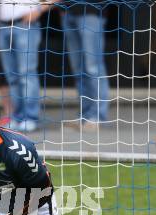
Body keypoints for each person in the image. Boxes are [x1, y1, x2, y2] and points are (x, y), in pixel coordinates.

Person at [0, 0, 56, 133]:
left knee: (26, 74)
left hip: (25, 24)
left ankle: (30, 117)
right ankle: (17, 117)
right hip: (3, 25)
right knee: (11, 76)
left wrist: (39, 10)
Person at [62, 1, 110, 131]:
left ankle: (98, 116)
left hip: (91, 10)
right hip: (68, 10)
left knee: (93, 67)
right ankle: (85, 115)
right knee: (78, 69)